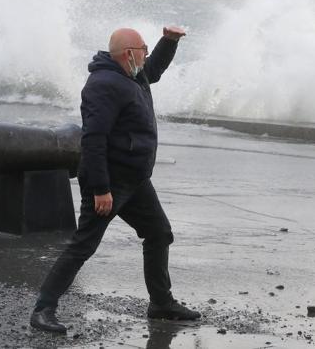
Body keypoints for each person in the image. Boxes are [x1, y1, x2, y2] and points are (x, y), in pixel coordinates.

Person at [30, 26, 200, 334]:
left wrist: (169, 41)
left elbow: (155, 69)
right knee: (83, 246)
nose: (147, 55)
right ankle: (43, 309)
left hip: (135, 180)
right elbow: (93, 140)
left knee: (159, 233)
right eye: (143, 49)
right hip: (109, 182)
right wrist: (101, 189)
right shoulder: (104, 84)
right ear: (128, 54)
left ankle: (161, 303)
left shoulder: (132, 74)